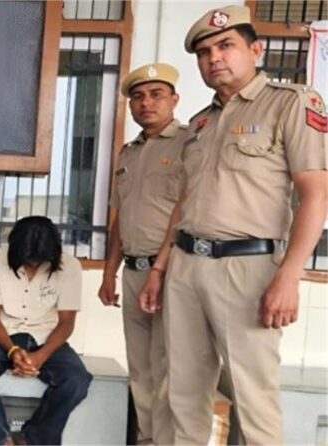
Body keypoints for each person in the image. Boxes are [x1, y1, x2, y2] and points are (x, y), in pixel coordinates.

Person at [139, 5, 327, 444]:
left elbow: (316, 194)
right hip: (186, 266)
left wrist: (290, 276)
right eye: (204, 53)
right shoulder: (200, 123)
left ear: (255, 51)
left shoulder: (290, 103)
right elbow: (184, 203)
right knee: (183, 395)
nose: (214, 58)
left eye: (226, 46)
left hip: (247, 269)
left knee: (253, 399)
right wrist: (160, 268)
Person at [98, 63, 187, 445]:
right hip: (134, 272)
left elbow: (186, 211)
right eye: (137, 97)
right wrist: (109, 272)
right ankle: (149, 439)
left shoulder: (189, 143)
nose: (146, 103)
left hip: (171, 271)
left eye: (156, 95)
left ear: (174, 100)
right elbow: (122, 216)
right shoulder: (129, 153)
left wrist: (159, 269)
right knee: (141, 368)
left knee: (169, 367)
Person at [0, 216, 92, 446]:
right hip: (3, 335)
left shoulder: (69, 266)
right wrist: (12, 351)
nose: (33, 266)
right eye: (27, 261)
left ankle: (32, 439)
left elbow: (66, 322)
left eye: (39, 262)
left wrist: (40, 357)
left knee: (76, 380)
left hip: (47, 337)